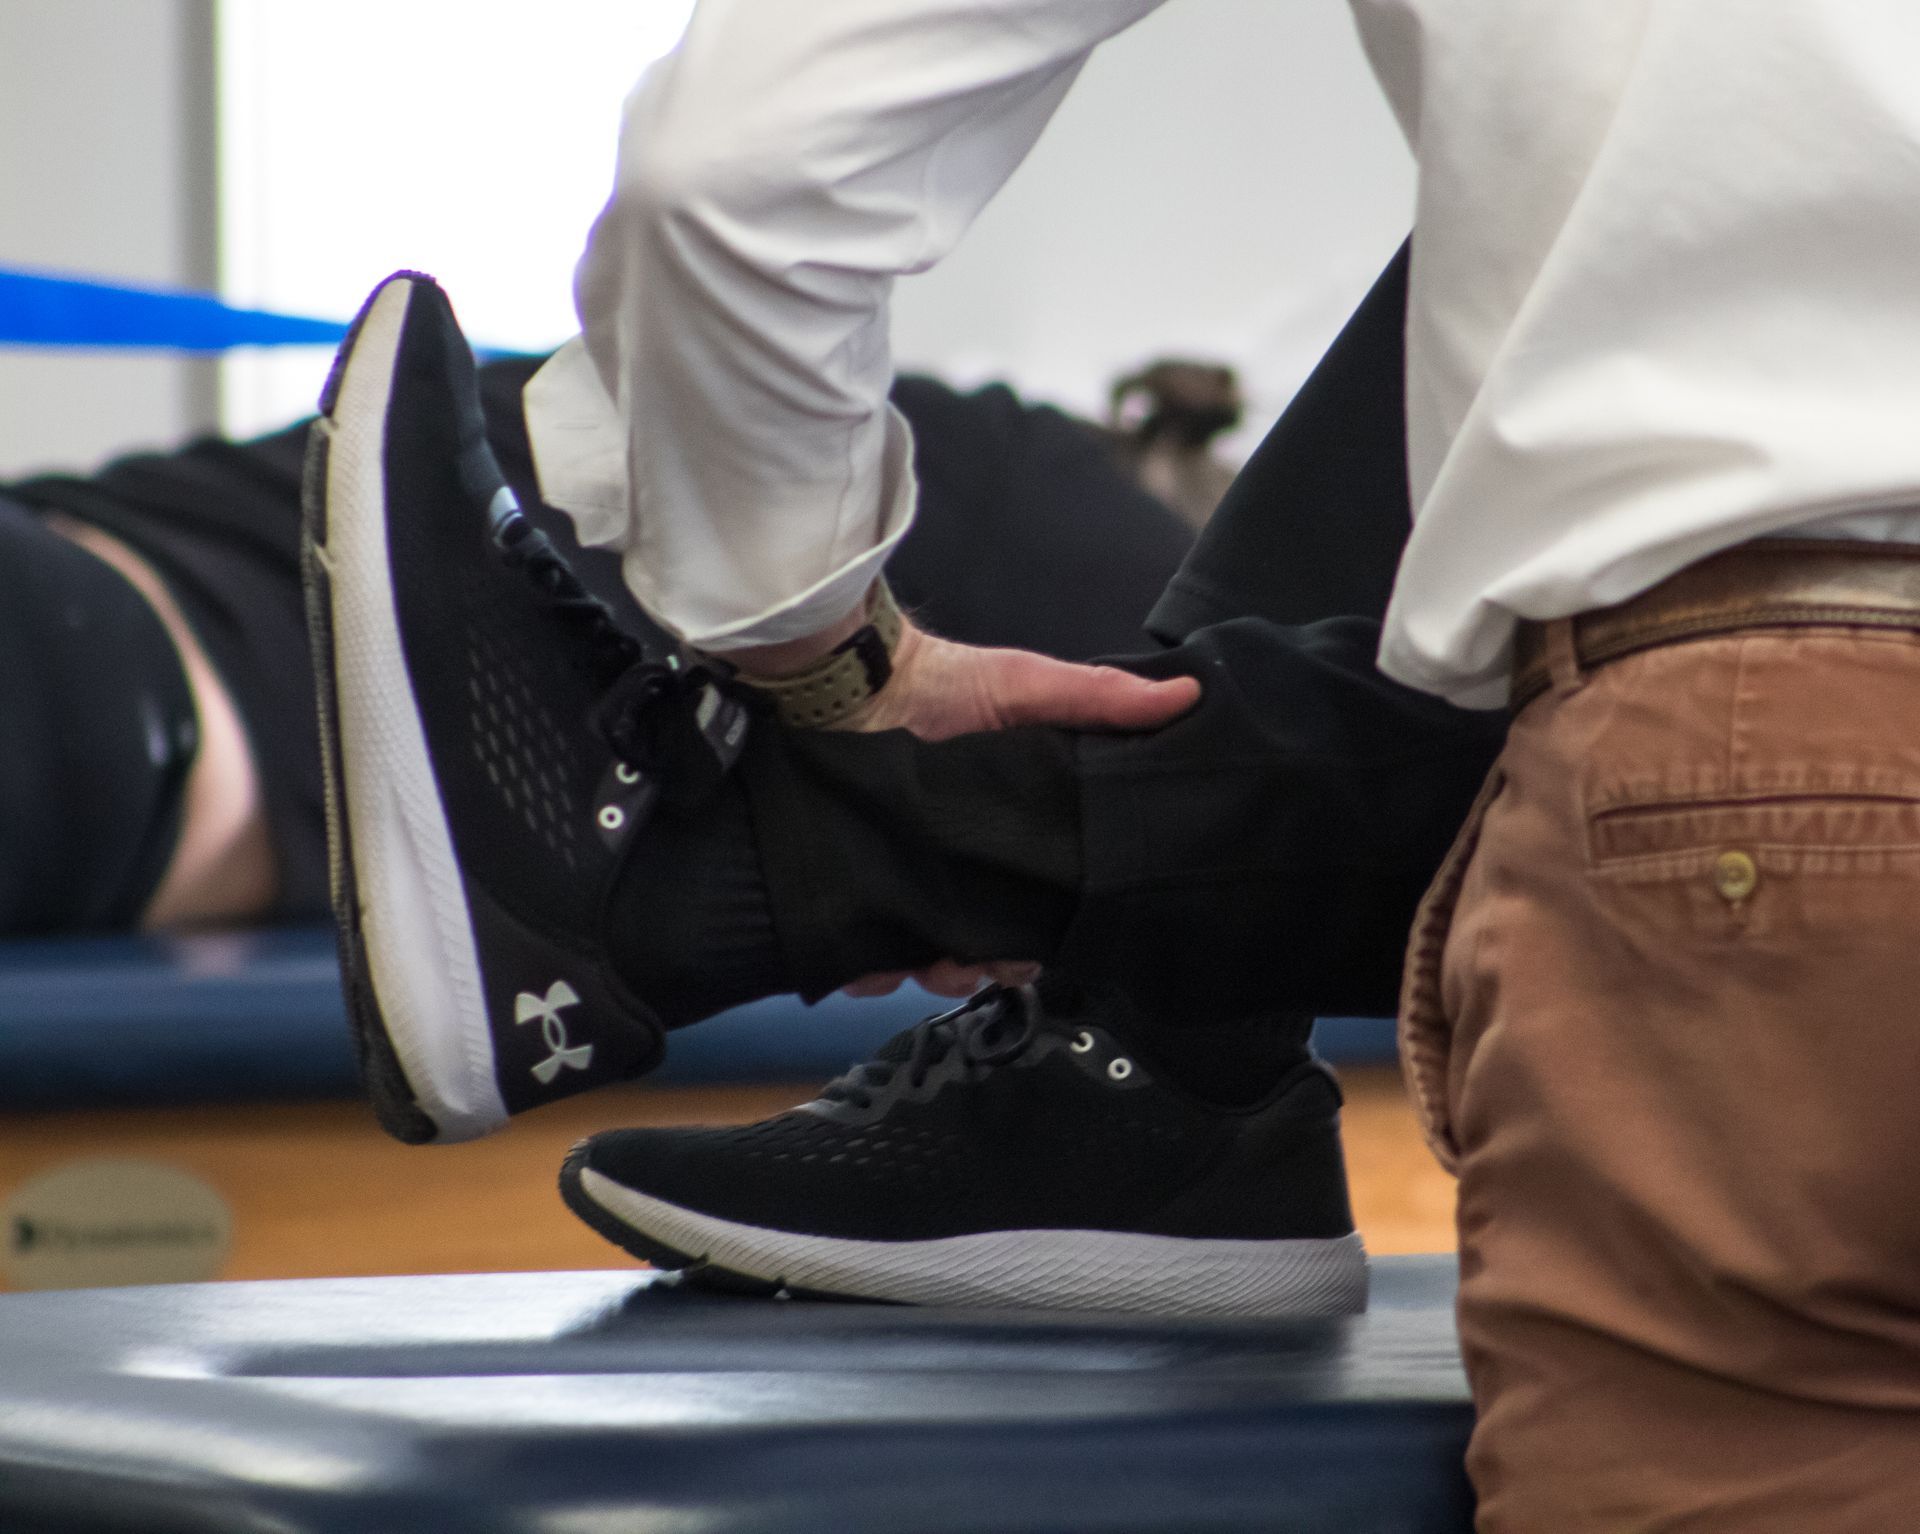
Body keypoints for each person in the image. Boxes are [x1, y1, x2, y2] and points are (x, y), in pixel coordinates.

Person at [314, 3, 1920, 1528]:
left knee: (1677, 569)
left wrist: (813, 646)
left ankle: (722, 884)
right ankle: (1086, 1018)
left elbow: (737, 180)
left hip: (1775, 767)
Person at [1, 358, 1217, 938]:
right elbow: (1242, 757)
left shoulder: (894, 437)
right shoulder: (1057, 503)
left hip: (91, 620)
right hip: (137, 705)